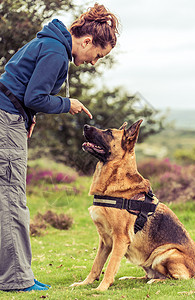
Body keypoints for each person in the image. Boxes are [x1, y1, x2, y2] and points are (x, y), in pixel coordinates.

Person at [0, 3, 119, 292]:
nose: (93, 62)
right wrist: (68, 104)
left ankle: (17, 275)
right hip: (6, 122)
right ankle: (16, 281)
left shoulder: (49, 43)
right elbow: (34, 95)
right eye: (97, 55)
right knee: (12, 202)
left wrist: (28, 116)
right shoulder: (54, 52)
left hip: (10, 117)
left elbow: (16, 82)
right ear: (87, 41)